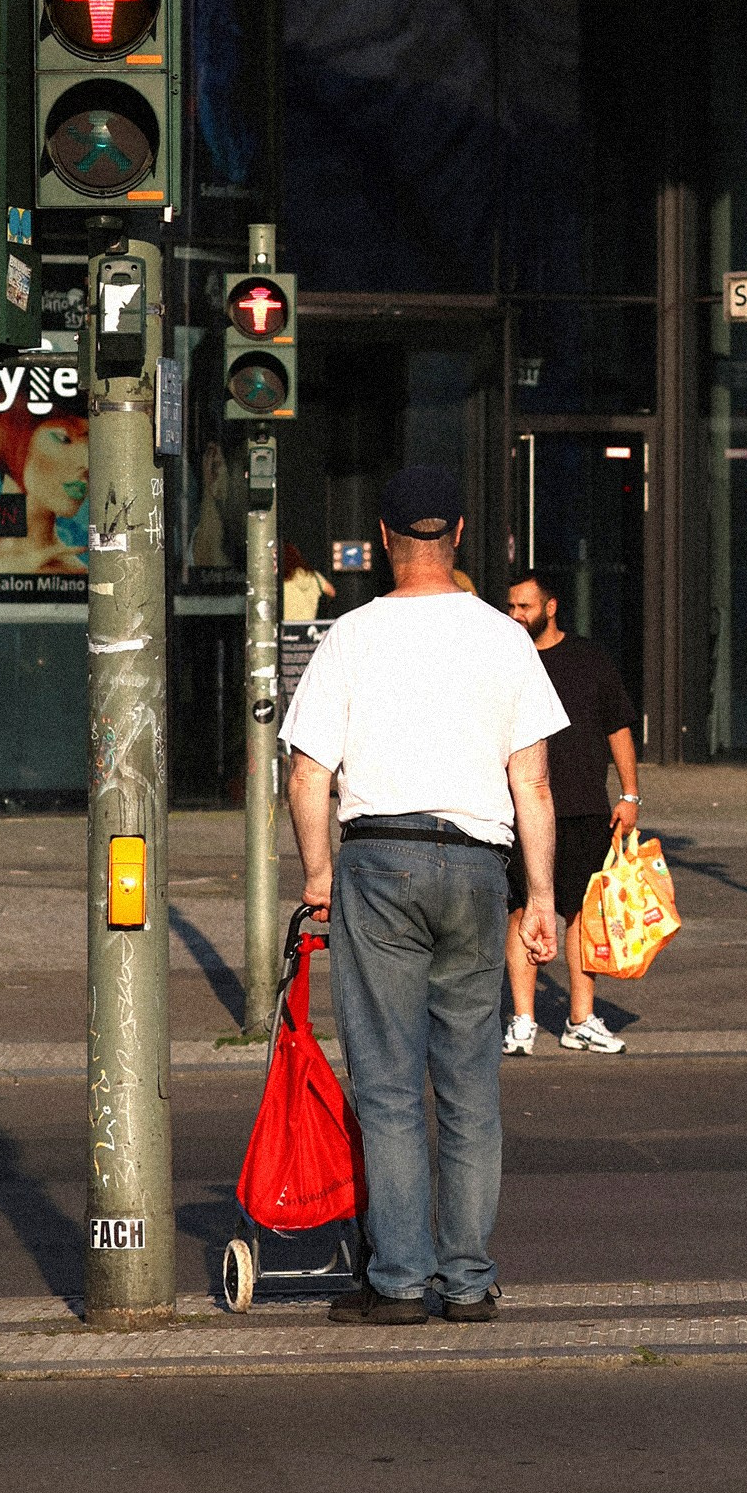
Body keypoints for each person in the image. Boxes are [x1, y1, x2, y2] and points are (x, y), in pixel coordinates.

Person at [282, 464, 568, 1324]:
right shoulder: (502, 638)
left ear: (382, 538)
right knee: (470, 1086)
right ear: (460, 534)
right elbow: (536, 782)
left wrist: (318, 873)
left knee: (389, 1085)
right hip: (478, 866)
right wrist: (543, 896)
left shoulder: (350, 637)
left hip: (377, 859)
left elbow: (306, 774)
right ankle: (469, 1280)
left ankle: (399, 1281)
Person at [499, 565, 639, 1055]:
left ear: (550, 607)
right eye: (511, 606)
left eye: (525, 607)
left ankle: (581, 1018)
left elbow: (617, 726)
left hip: (582, 808)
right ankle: (522, 1020)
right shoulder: (504, 661)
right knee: (522, 910)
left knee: (581, 913)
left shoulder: (588, 660)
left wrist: (630, 795)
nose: (515, 615)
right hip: (520, 811)